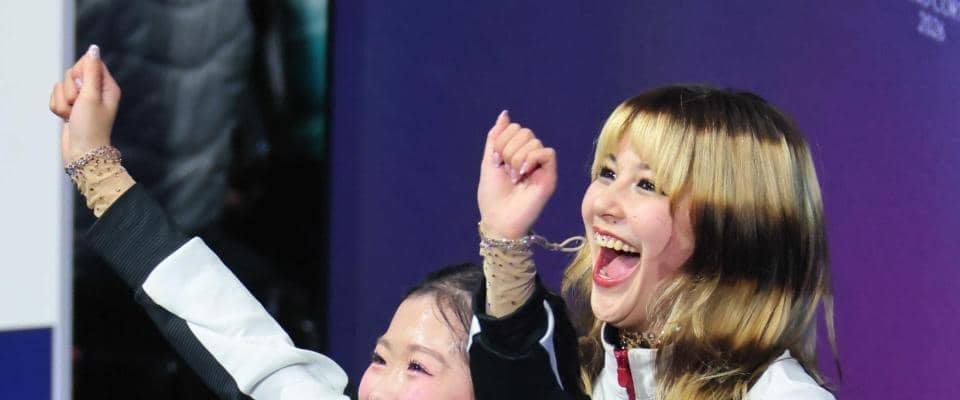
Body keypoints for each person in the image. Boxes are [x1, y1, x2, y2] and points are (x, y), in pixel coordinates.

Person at [49, 46, 587, 399]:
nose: (378, 389)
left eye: (418, 368)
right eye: (380, 358)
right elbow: (218, 313)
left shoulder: (514, 379)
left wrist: (504, 242)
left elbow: (517, 362)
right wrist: (95, 165)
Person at [476, 86, 838, 399]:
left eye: (647, 185)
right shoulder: (582, 371)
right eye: (608, 173)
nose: (603, 204)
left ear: (730, 231)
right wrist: (502, 236)